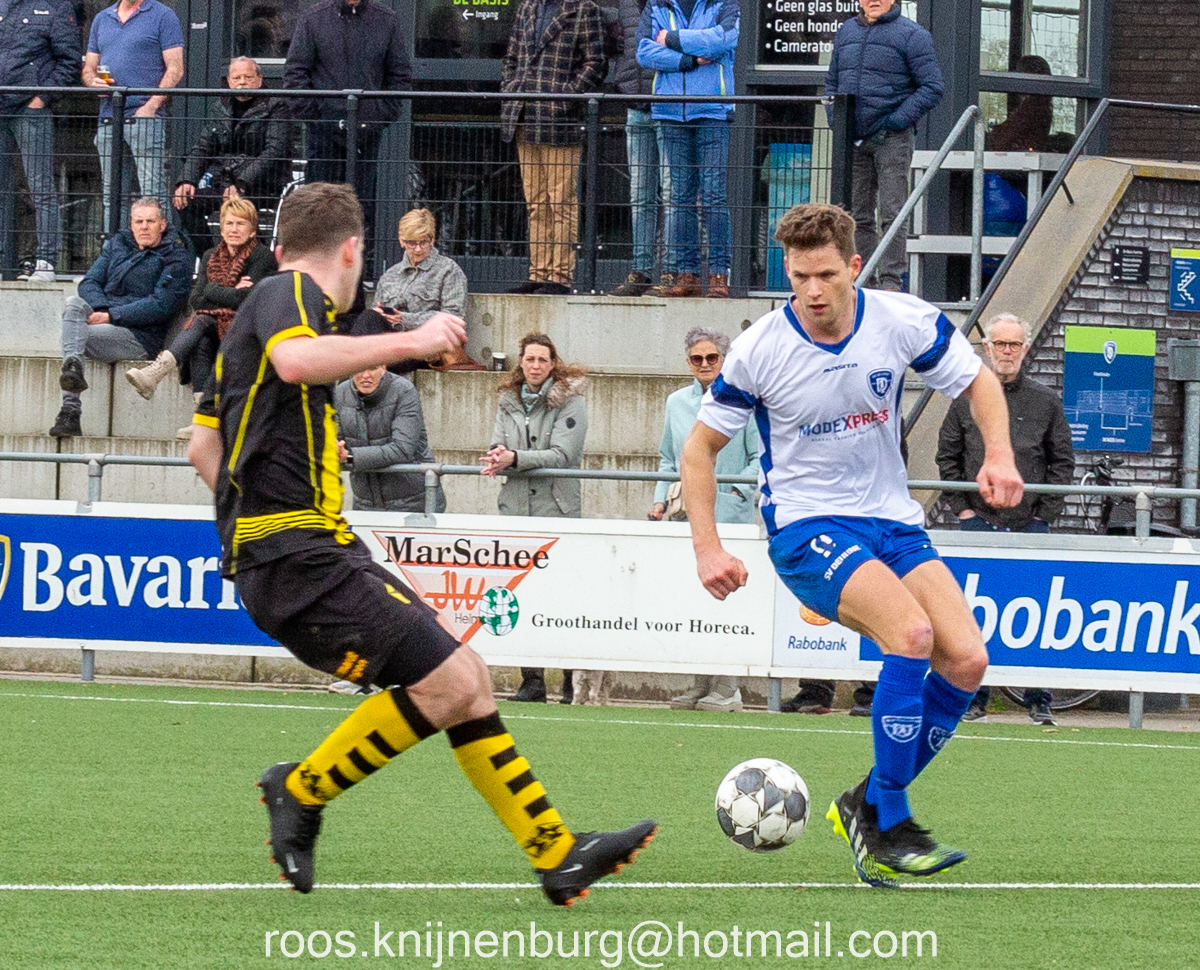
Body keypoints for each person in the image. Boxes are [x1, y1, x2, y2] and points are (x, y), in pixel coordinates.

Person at [186, 182, 655, 902]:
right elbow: (297, 362)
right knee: (448, 682)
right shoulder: (290, 293)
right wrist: (414, 340)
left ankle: (557, 854)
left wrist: (250, 517)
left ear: (278, 246)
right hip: (296, 553)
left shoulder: (252, 327)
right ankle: (302, 789)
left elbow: (202, 449)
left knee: (465, 679)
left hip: (301, 550)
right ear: (352, 251)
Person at [681, 202, 1023, 886]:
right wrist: (707, 548)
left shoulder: (901, 320)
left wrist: (999, 453)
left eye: (827, 275)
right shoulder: (760, 349)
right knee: (912, 635)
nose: (812, 291)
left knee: (967, 661)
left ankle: (864, 802)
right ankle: (888, 819)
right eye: (799, 276)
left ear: (854, 267)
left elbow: (978, 380)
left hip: (891, 522)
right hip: (806, 527)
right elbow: (699, 450)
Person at [937, 311, 1074, 726]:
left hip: (1030, 526)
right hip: (978, 523)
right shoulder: (965, 399)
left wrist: (1044, 516)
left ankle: (1039, 699)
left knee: (1038, 613)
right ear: (987, 347)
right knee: (973, 616)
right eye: (1000, 343)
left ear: (1026, 349)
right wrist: (963, 511)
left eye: (1014, 344)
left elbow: (1062, 463)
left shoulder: (1047, 402)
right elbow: (948, 458)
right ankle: (975, 698)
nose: (1007, 351)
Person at [649, 327, 758, 711]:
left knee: (729, 599)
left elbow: (759, 457)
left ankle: (729, 686)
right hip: (688, 515)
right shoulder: (676, 402)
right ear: (687, 362)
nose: (705, 364)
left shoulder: (743, 399)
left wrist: (737, 491)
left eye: (712, 357)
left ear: (724, 360)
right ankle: (699, 682)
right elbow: (668, 457)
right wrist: (659, 500)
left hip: (731, 514)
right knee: (692, 599)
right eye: (697, 358)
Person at [480, 333, 588, 705]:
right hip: (515, 511)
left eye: (543, 359)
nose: (536, 366)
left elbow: (563, 455)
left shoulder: (572, 401)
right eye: (530, 359)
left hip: (556, 511)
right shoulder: (507, 400)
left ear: (553, 363)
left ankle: (571, 681)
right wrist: (498, 457)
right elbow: (497, 444)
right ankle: (532, 680)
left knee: (562, 598)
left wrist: (514, 459)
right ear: (521, 362)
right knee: (521, 595)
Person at [125, 197, 277, 428]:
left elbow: (246, 301)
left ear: (252, 231)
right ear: (221, 228)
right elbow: (196, 300)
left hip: (248, 331)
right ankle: (203, 417)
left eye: (240, 224)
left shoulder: (262, 256)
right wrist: (230, 291)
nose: (234, 229)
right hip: (216, 329)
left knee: (203, 320)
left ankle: (158, 374)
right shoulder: (210, 256)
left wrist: (212, 289)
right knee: (202, 336)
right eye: (229, 224)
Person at [825, 0, 943, 292]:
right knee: (857, 216)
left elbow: (932, 86)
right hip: (854, 139)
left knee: (893, 214)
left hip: (892, 139)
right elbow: (832, 83)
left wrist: (896, 121)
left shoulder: (913, 35)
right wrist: (837, 120)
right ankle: (864, 281)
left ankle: (891, 283)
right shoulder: (846, 32)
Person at [50, 197, 191, 438]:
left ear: (162, 225)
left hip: (140, 336)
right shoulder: (119, 244)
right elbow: (90, 282)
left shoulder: (176, 257)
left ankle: (70, 411)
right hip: (107, 316)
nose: (144, 227)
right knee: (73, 304)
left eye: (150, 221)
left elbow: (161, 305)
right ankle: (72, 368)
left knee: (73, 336)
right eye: (139, 221)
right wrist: (103, 309)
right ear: (131, 224)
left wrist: (112, 316)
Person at [282, 0, 412, 251]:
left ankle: (356, 272)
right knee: (319, 208)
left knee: (361, 211)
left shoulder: (387, 20)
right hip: (323, 133)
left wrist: (378, 116)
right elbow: (295, 73)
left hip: (366, 133)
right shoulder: (313, 19)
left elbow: (400, 76)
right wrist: (315, 116)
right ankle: (318, 270)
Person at [501, 0, 606, 295]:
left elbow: (596, 62)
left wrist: (565, 98)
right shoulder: (527, 7)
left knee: (561, 202)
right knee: (535, 202)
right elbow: (511, 58)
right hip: (524, 115)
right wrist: (511, 88)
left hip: (559, 121)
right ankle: (538, 272)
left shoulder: (583, 8)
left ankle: (559, 276)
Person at [637, 0, 739, 298]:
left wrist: (670, 38)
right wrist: (691, 60)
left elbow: (721, 42)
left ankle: (719, 274)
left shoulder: (724, 3)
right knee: (680, 196)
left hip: (712, 111)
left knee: (713, 194)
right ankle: (687, 273)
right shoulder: (657, 4)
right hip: (670, 111)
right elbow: (643, 52)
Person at [173, 56, 291, 255]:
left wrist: (242, 183)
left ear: (259, 79)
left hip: (263, 185)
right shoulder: (220, 107)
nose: (242, 82)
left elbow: (274, 151)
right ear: (228, 81)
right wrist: (186, 179)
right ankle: (212, 258)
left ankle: (253, 259)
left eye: (248, 77)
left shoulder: (276, 106)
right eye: (237, 78)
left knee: (239, 208)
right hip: (224, 184)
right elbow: (203, 147)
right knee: (185, 201)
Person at [83, 0, 184, 230]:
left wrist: (151, 106)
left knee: (153, 193)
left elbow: (176, 69)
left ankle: (163, 249)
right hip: (109, 117)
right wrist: (92, 81)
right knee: (111, 196)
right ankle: (114, 249)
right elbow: (89, 68)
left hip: (145, 117)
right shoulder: (102, 18)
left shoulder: (163, 15)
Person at [1, 0, 80, 283]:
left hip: (30, 110)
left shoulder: (56, 6)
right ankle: (3, 261)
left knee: (41, 187)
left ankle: (45, 261)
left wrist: (42, 97)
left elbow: (71, 61)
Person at [350, 209, 479, 371]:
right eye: (412, 243)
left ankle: (355, 368)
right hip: (391, 343)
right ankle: (357, 365)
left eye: (423, 242)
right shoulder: (390, 276)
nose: (418, 249)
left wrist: (404, 319)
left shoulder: (448, 270)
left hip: (425, 348)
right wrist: (384, 314)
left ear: (432, 240)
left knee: (368, 346)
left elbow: (453, 318)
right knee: (370, 317)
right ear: (402, 241)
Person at [610, 0, 675, 296]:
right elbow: (619, 47)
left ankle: (671, 272)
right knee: (640, 194)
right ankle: (641, 271)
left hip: (667, 105)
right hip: (635, 105)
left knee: (672, 193)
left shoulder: (670, 4)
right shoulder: (625, 5)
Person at [334, 364, 447, 514]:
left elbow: (402, 449)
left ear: (383, 367)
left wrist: (349, 457)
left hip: (414, 501)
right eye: (359, 367)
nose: (365, 375)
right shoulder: (341, 392)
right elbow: (337, 443)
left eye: (372, 368)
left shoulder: (404, 390)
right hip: (365, 501)